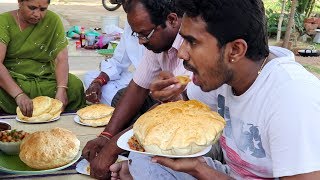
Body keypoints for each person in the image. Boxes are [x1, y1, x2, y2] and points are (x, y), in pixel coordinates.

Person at [111, 0, 320, 179]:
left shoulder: (292, 100)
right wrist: (168, 98)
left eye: (191, 42)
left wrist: (200, 170)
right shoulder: (222, 76)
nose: (181, 53)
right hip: (231, 173)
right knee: (144, 159)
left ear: (235, 50)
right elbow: (182, 109)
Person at [81, 0, 189, 179]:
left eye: (145, 34)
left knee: (151, 153)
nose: (140, 42)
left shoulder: (192, 45)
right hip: (168, 108)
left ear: (171, 20)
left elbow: (172, 110)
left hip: (193, 122)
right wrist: (106, 136)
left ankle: (133, 150)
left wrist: (113, 147)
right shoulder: (156, 44)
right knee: (124, 97)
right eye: (137, 34)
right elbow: (138, 87)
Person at [0, 0, 86, 116]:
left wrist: (61, 90)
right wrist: (18, 94)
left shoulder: (52, 20)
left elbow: (61, 59)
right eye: (32, 8)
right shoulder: (4, 21)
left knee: (75, 85)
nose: (37, 14)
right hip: (12, 78)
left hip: (45, 77)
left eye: (43, 9)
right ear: (20, 2)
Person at [84, 0, 145, 106]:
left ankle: (125, 106)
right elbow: (118, 61)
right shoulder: (131, 23)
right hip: (136, 81)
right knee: (90, 77)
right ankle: (125, 104)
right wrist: (99, 81)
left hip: (153, 86)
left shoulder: (158, 20)